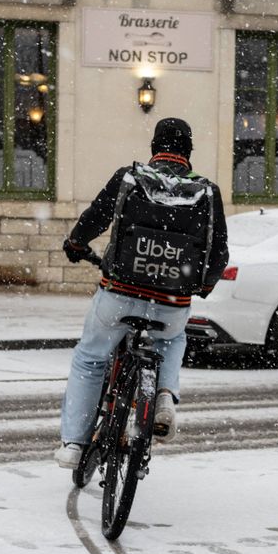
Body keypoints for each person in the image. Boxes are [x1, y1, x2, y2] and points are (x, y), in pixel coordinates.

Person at [54, 117, 229, 469]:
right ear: (188, 153)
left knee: (90, 359)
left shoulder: (129, 178)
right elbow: (219, 250)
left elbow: (95, 218)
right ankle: (164, 395)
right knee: (173, 339)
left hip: (119, 293)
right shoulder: (207, 192)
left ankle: (74, 443)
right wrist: (203, 286)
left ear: (154, 148)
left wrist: (76, 243)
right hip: (171, 300)